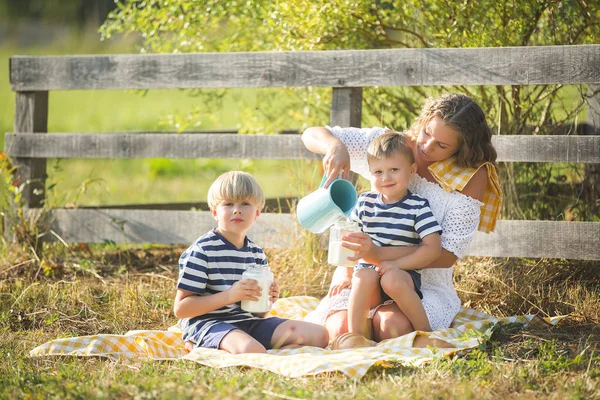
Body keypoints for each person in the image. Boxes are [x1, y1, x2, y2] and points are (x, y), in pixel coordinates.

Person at [302, 93, 502, 345]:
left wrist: (377, 253)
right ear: (425, 120)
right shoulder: (392, 147)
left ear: (462, 148)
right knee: (339, 329)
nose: (426, 147)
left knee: (390, 328)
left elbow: (447, 255)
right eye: (427, 133)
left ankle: (421, 337)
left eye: (442, 145)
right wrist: (335, 146)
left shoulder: (470, 177)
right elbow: (311, 134)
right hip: (363, 271)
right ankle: (357, 339)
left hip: (421, 280)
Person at [174, 171, 329, 354]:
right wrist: (230, 295)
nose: (237, 209)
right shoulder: (202, 251)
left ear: (257, 213)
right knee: (251, 349)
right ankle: (201, 343)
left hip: (247, 322)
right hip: (208, 323)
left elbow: (258, 315)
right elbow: (181, 309)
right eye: (228, 204)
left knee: (320, 335)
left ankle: (256, 349)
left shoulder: (256, 253)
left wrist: (266, 300)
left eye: (245, 204)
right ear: (215, 212)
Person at [347, 131, 442, 344]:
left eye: (393, 170)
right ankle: (357, 338)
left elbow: (433, 249)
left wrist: (396, 264)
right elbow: (349, 241)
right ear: (370, 173)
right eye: (378, 172)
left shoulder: (417, 206)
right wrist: (345, 274)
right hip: (369, 277)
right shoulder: (364, 202)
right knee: (362, 276)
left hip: (402, 276)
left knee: (391, 279)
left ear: (411, 170)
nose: (386, 178)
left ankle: (426, 335)